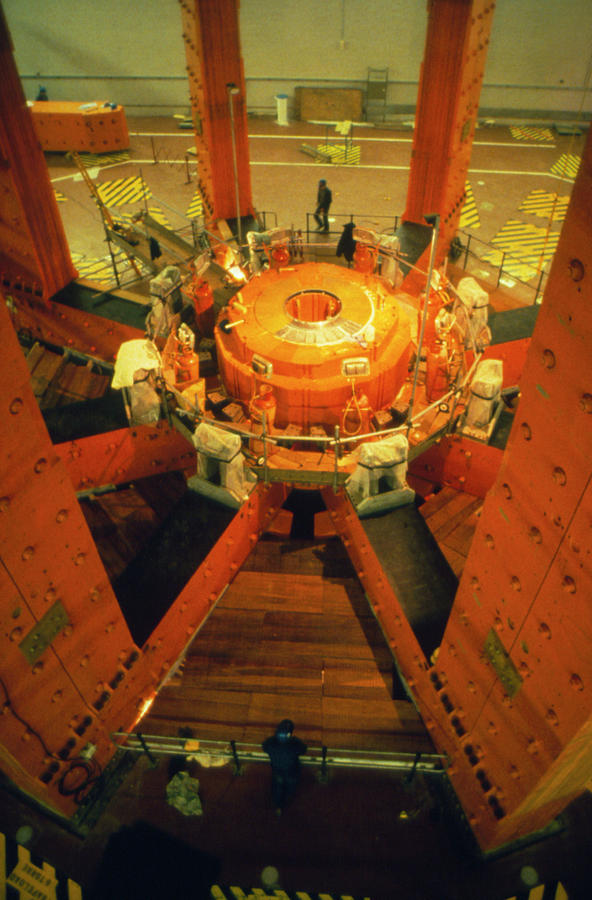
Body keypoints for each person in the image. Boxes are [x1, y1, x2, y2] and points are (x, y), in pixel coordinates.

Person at [262, 719, 307, 815]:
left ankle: (278, 806)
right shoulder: (294, 743)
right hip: (292, 771)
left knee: (278, 787)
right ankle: (285, 801)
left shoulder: (271, 742)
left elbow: (265, 747)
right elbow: (303, 749)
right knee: (290, 788)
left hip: (277, 770)